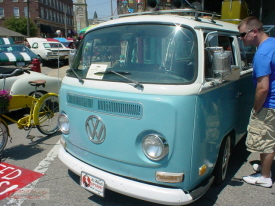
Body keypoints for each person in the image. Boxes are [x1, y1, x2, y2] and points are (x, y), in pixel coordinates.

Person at [238, 16, 275, 188]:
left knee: (265, 140)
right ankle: (264, 166)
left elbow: (262, 87)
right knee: (270, 137)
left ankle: (265, 176)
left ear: (254, 32)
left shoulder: (262, 53)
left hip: (269, 104)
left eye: (243, 35)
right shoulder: (272, 43)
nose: (241, 38)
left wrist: (255, 108)